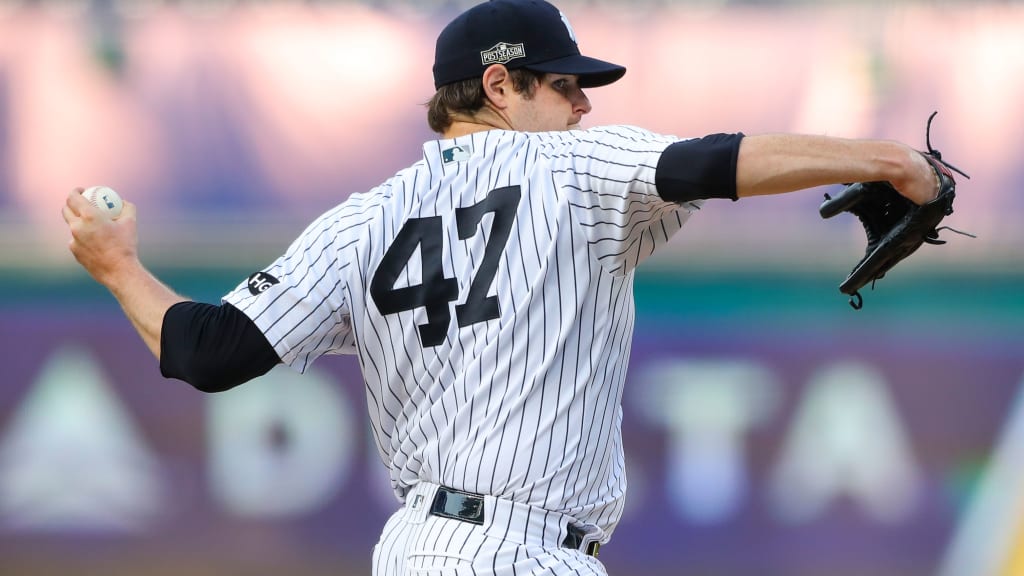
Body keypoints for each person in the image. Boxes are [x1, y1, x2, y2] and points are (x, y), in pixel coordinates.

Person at [61, 0, 945, 574]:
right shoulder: (572, 165)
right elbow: (711, 162)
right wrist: (889, 160)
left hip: (417, 550)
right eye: (564, 86)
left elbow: (206, 350)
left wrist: (117, 266)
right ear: (499, 85)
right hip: (519, 553)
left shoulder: (358, 223)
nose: (583, 106)